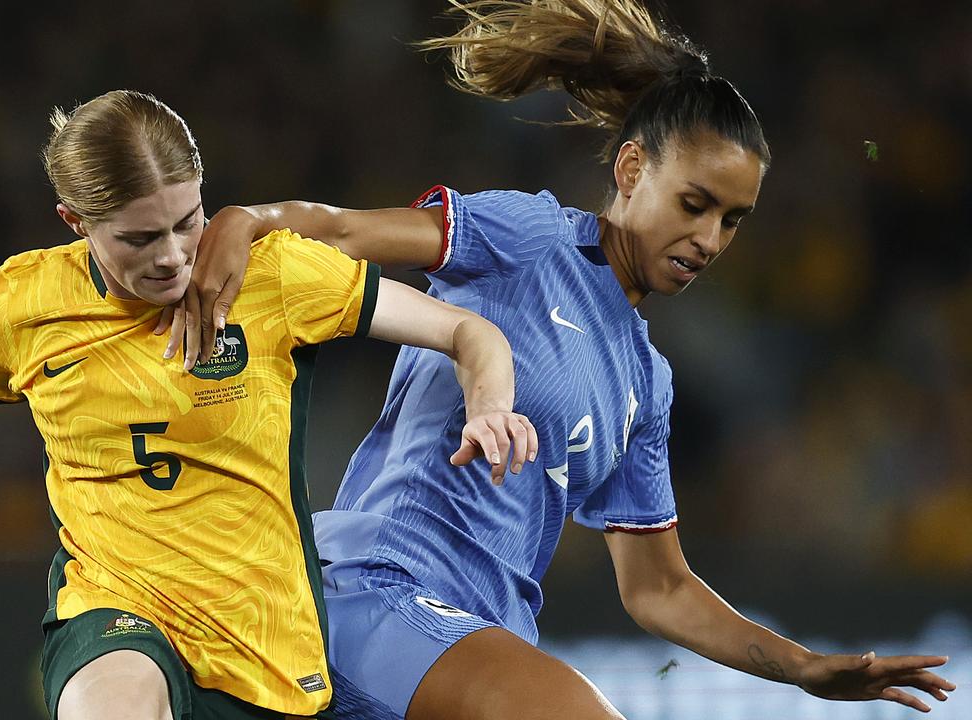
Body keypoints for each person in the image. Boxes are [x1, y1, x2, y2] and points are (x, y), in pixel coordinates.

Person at [170, 2, 958, 718]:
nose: (710, 240)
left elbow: (658, 588)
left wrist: (804, 668)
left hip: (468, 646)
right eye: (694, 205)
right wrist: (251, 218)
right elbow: (342, 234)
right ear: (630, 170)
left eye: (733, 220)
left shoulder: (647, 384)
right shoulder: (533, 239)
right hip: (374, 593)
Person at [0, 89, 538, 720]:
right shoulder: (20, 304)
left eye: (187, 223)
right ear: (75, 222)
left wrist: (490, 405)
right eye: (137, 238)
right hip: (115, 611)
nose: (174, 257)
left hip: (266, 644)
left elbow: (470, 332)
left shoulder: (275, 275)